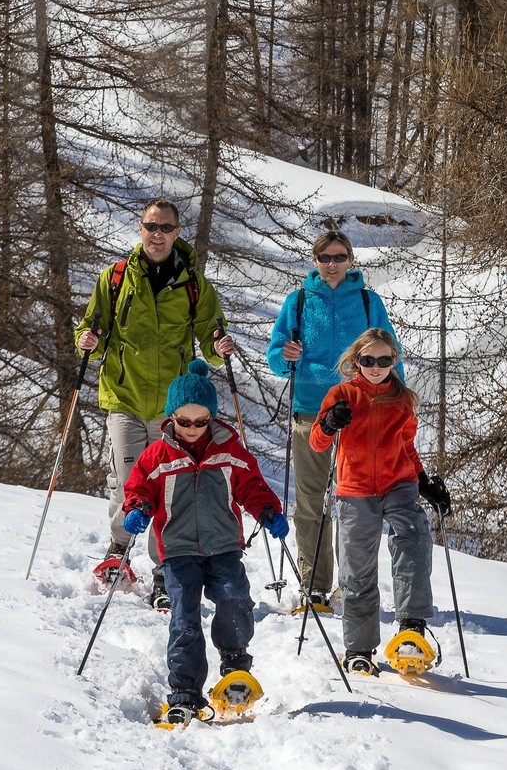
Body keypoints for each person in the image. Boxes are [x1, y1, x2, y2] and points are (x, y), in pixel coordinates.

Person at [75, 197, 234, 608]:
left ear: (177, 232)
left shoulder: (194, 283)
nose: (157, 234)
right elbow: (93, 326)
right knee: (129, 480)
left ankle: (164, 565)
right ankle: (118, 549)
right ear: (140, 229)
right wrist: (86, 340)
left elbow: (211, 337)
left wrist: (218, 345)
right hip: (125, 396)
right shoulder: (115, 278)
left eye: (165, 227)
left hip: (172, 406)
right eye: (151, 226)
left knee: (169, 486)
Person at [121, 361, 288, 722]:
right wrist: (138, 508)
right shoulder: (158, 455)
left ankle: (234, 666)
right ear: (171, 417)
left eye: (201, 422)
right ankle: (185, 689)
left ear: (211, 417)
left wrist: (268, 512)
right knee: (184, 617)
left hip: (224, 545)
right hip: (179, 550)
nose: (193, 429)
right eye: (185, 421)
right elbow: (138, 487)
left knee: (234, 598)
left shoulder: (230, 448)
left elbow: (253, 487)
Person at [266, 230, 396, 612]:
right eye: (325, 258)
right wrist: (285, 354)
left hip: (362, 411)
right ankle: (314, 587)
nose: (333, 264)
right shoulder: (300, 301)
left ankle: (352, 587)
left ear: (351, 260)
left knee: (354, 503)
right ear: (315, 261)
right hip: (311, 410)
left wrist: (396, 401)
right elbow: (275, 356)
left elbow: (392, 355)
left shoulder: (369, 303)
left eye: (339, 257)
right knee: (310, 502)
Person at [310, 327, 452, 676]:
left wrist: (422, 482)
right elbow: (316, 442)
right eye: (368, 360)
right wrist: (329, 423)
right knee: (356, 570)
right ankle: (359, 648)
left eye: (384, 360)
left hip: (398, 483)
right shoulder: (342, 394)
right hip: (355, 489)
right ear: (356, 361)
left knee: (414, 538)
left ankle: (411, 629)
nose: (375, 366)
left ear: (394, 361)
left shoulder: (402, 399)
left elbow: (406, 445)